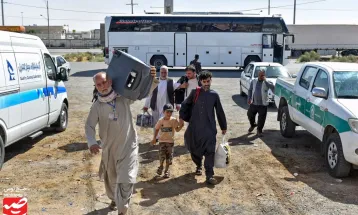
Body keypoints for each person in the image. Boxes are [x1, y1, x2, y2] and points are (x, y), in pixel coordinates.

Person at [85, 67, 158, 215]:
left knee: (126, 178)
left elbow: (143, 92)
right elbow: (89, 125)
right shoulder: (97, 106)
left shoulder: (123, 98)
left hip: (128, 146)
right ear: (96, 87)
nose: (103, 86)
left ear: (110, 82)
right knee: (112, 180)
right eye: (99, 85)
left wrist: (152, 79)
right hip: (109, 149)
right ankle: (113, 198)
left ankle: (122, 208)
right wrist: (92, 142)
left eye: (105, 82)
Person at [180, 71, 227, 185]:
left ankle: (209, 175)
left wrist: (223, 126)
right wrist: (182, 117)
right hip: (195, 128)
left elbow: (220, 111)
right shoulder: (195, 92)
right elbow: (185, 104)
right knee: (194, 149)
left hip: (209, 129)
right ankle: (198, 165)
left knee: (210, 152)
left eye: (208, 81)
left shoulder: (214, 95)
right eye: (204, 81)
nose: (206, 83)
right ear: (200, 81)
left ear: (211, 80)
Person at [143, 66, 182, 134]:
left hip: (167, 106)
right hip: (155, 105)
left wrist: (178, 105)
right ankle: (156, 137)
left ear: (167, 72)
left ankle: (165, 139)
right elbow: (150, 94)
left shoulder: (171, 81)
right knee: (156, 122)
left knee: (166, 122)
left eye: (165, 72)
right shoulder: (155, 81)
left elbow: (178, 91)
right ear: (159, 72)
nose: (164, 74)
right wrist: (146, 105)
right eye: (162, 72)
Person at [151, 104, 184, 178]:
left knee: (169, 158)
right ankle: (161, 167)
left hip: (170, 142)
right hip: (162, 142)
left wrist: (181, 126)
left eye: (170, 112)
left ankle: (166, 171)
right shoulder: (161, 121)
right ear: (163, 112)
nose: (169, 114)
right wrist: (154, 138)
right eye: (167, 112)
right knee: (161, 156)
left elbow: (177, 129)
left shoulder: (173, 120)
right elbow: (156, 129)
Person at [247, 69, 275, 137]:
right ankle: (253, 125)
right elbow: (250, 90)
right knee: (249, 114)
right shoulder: (254, 81)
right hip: (254, 103)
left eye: (262, 75)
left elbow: (273, 88)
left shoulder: (267, 82)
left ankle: (259, 131)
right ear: (258, 74)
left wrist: (265, 81)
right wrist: (249, 98)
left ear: (264, 75)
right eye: (259, 75)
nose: (260, 76)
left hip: (263, 104)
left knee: (261, 119)